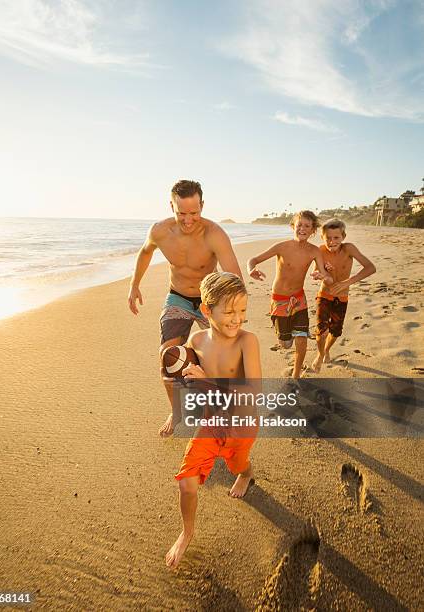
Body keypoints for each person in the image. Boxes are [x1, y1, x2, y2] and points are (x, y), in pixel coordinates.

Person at [127, 179, 242, 436]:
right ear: (171, 206)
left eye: (194, 213)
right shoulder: (160, 231)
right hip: (177, 297)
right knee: (167, 357)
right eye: (181, 214)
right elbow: (145, 252)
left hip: (208, 301)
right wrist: (134, 285)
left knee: (223, 362)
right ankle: (177, 412)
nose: (188, 220)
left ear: (202, 205)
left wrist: (231, 313)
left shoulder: (214, 234)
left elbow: (234, 278)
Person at [165, 272, 261, 569]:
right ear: (207, 310)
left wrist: (208, 380)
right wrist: (181, 373)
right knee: (187, 483)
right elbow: (192, 381)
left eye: (243, 310)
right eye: (229, 311)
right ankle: (187, 532)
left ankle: (245, 474)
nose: (238, 319)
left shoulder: (248, 341)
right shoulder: (195, 340)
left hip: (241, 424)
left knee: (238, 463)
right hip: (211, 423)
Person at [247, 210, 332, 379]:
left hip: (299, 299)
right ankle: (286, 336)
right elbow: (253, 260)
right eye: (299, 225)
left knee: (302, 339)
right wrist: (251, 270)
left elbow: (327, 279)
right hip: (279, 300)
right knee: (286, 344)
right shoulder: (282, 247)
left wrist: (324, 275)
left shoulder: (315, 251)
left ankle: (296, 376)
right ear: (293, 226)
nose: (302, 228)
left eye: (307, 226)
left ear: (313, 230)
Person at [312, 218, 376, 372]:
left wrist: (348, 282)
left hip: (342, 298)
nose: (332, 241)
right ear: (322, 237)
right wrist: (320, 274)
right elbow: (316, 270)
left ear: (343, 237)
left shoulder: (349, 249)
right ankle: (320, 355)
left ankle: (327, 349)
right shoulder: (320, 251)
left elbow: (370, 267)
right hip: (324, 295)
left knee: (335, 332)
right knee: (321, 331)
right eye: (328, 238)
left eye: (336, 238)